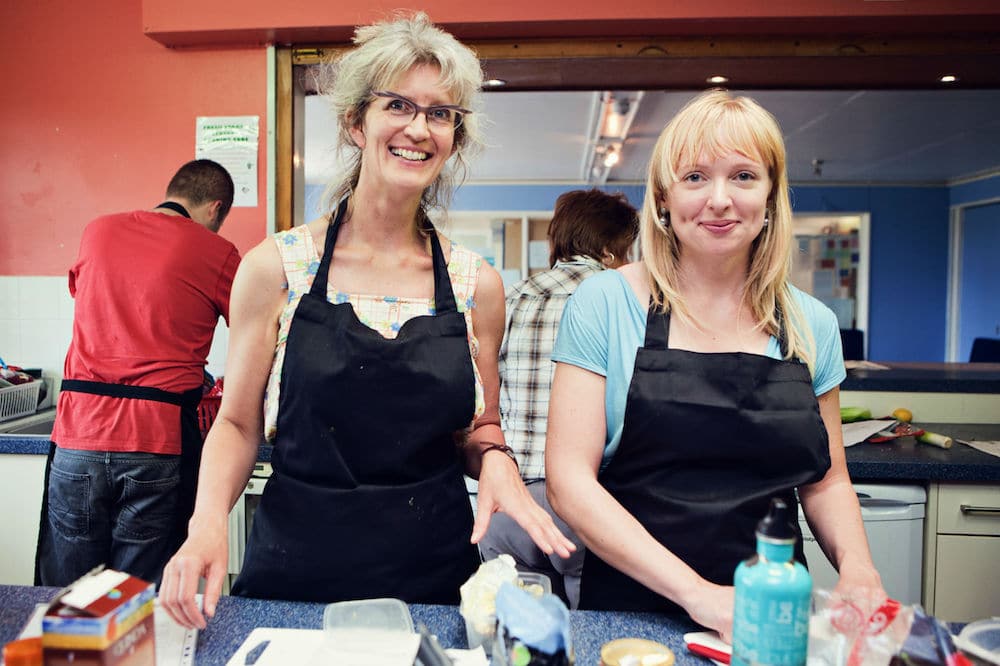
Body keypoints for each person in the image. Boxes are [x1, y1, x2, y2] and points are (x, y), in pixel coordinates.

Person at [159, 12, 574, 629]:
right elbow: (239, 423)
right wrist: (204, 526)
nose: (419, 128)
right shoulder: (279, 266)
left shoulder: (475, 285)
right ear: (356, 122)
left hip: (433, 584)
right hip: (293, 580)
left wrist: (498, 461)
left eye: (441, 114)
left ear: (454, 138)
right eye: (399, 105)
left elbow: (477, 425)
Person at [545, 89, 883, 641]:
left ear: (771, 196)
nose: (720, 200)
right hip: (632, 613)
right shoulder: (606, 303)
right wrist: (698, 596)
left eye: (744, 177)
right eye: (696, 177)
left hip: (769, 612)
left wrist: (859, 569)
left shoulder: (811, 324)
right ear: (663, 198)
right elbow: (568, 482)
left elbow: (826, 480)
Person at [35, 159, 240, 587]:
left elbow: (88, 295)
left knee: (67, 597)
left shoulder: (98, 231)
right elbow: (250, 325)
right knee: (136, 599)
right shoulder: (217, 251)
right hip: (155, 444)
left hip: (78, 437)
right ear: (215, 209)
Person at [479, 189, 639, 608]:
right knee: (589, 636)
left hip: (506, 503)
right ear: (610, 249)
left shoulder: (509, 298)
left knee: (517, 637)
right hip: (585, 507)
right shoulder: (621, 302)